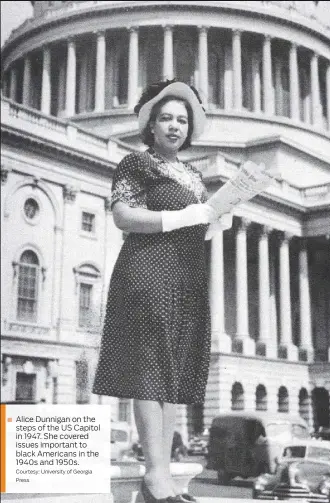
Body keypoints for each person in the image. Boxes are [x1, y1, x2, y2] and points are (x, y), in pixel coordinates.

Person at [92, 79, 231, 503]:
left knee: (170, 377)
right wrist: (188, 215)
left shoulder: (192, 174)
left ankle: (164, 474)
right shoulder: (136, 165)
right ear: (150, 126)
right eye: (166, 118)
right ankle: (154, 475)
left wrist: (215, 219)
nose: (175, 126)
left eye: (182, 120)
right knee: (150, 371)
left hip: (185, 279)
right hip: (147, 272)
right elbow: (123, 216)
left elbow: (197, 225)